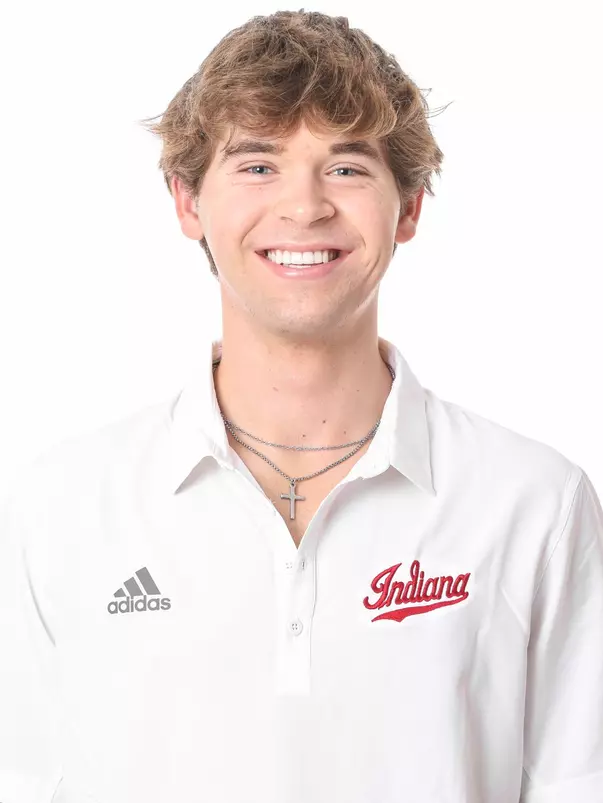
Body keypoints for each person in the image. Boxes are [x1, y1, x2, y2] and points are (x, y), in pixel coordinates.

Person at [1, 9, 602, 803]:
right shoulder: (62, 504)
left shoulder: (533, 503)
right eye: (257, 165)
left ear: (410, 206)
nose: (305, 206)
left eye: (347, 167)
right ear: (186, 201)